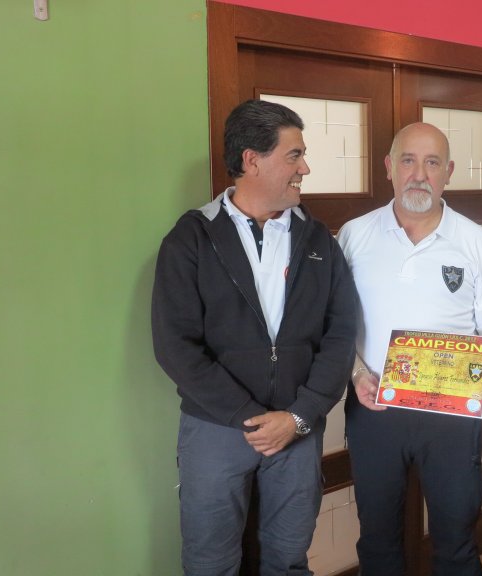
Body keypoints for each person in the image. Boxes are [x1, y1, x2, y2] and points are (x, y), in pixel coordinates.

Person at [151, 99, 358, 576]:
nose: (305, 168)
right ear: (252, 160)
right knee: (210, 564)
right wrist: (248, 417)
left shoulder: (319, 241)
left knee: (288, 560)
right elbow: (175, 345)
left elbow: (341, 333)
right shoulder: (191, 239)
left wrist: (300, 415)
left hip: (297, 428)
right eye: (294, 155)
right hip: (216, 428)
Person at [337, 122, 482, 576]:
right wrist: (356, 373)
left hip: (452, 414)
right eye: (408, 161)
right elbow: (333, 327)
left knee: (456, 541)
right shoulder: (354, 235)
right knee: (378, 540)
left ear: (448, 172)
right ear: (389, 167)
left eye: (432, 162)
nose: (419, 174)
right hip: (375, 407)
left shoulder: (475, 241)